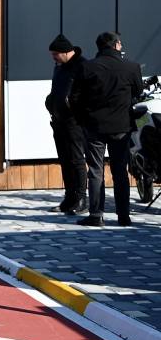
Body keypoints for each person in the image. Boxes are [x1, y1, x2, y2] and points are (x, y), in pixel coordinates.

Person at [72, 31, 143, 227]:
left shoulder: (87, 67)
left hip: (94, 126)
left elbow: (75, 98)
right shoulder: (131, 67)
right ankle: (123, 216)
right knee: (120, 171)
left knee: (95, 170)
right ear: (116, 45)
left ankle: (96, 215)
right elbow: (138, 92)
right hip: (121, 126)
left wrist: (82, 120)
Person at [45, 34, 88, 215]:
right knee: (64, 161)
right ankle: (69, 197)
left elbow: (87, 93)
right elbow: (57, 90)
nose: (53, 57)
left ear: (66, 52)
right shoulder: (59, 67)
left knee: (77, 160)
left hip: (74, 122)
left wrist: (72, 106)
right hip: (59, 120)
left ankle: (81, 199)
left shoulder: (82, 66)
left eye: (55, 54)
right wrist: (49, 102)